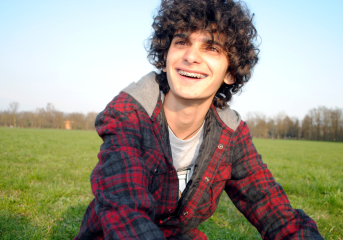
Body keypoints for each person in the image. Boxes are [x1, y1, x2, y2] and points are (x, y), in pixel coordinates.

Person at [75, 0, 323, 239]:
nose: (191, 56)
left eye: (211, 47)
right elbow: (125, 211)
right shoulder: (129, 116)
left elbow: (275, 212)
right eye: (182, 42)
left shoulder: (231, 134)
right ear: (165, 56)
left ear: (230, 72)